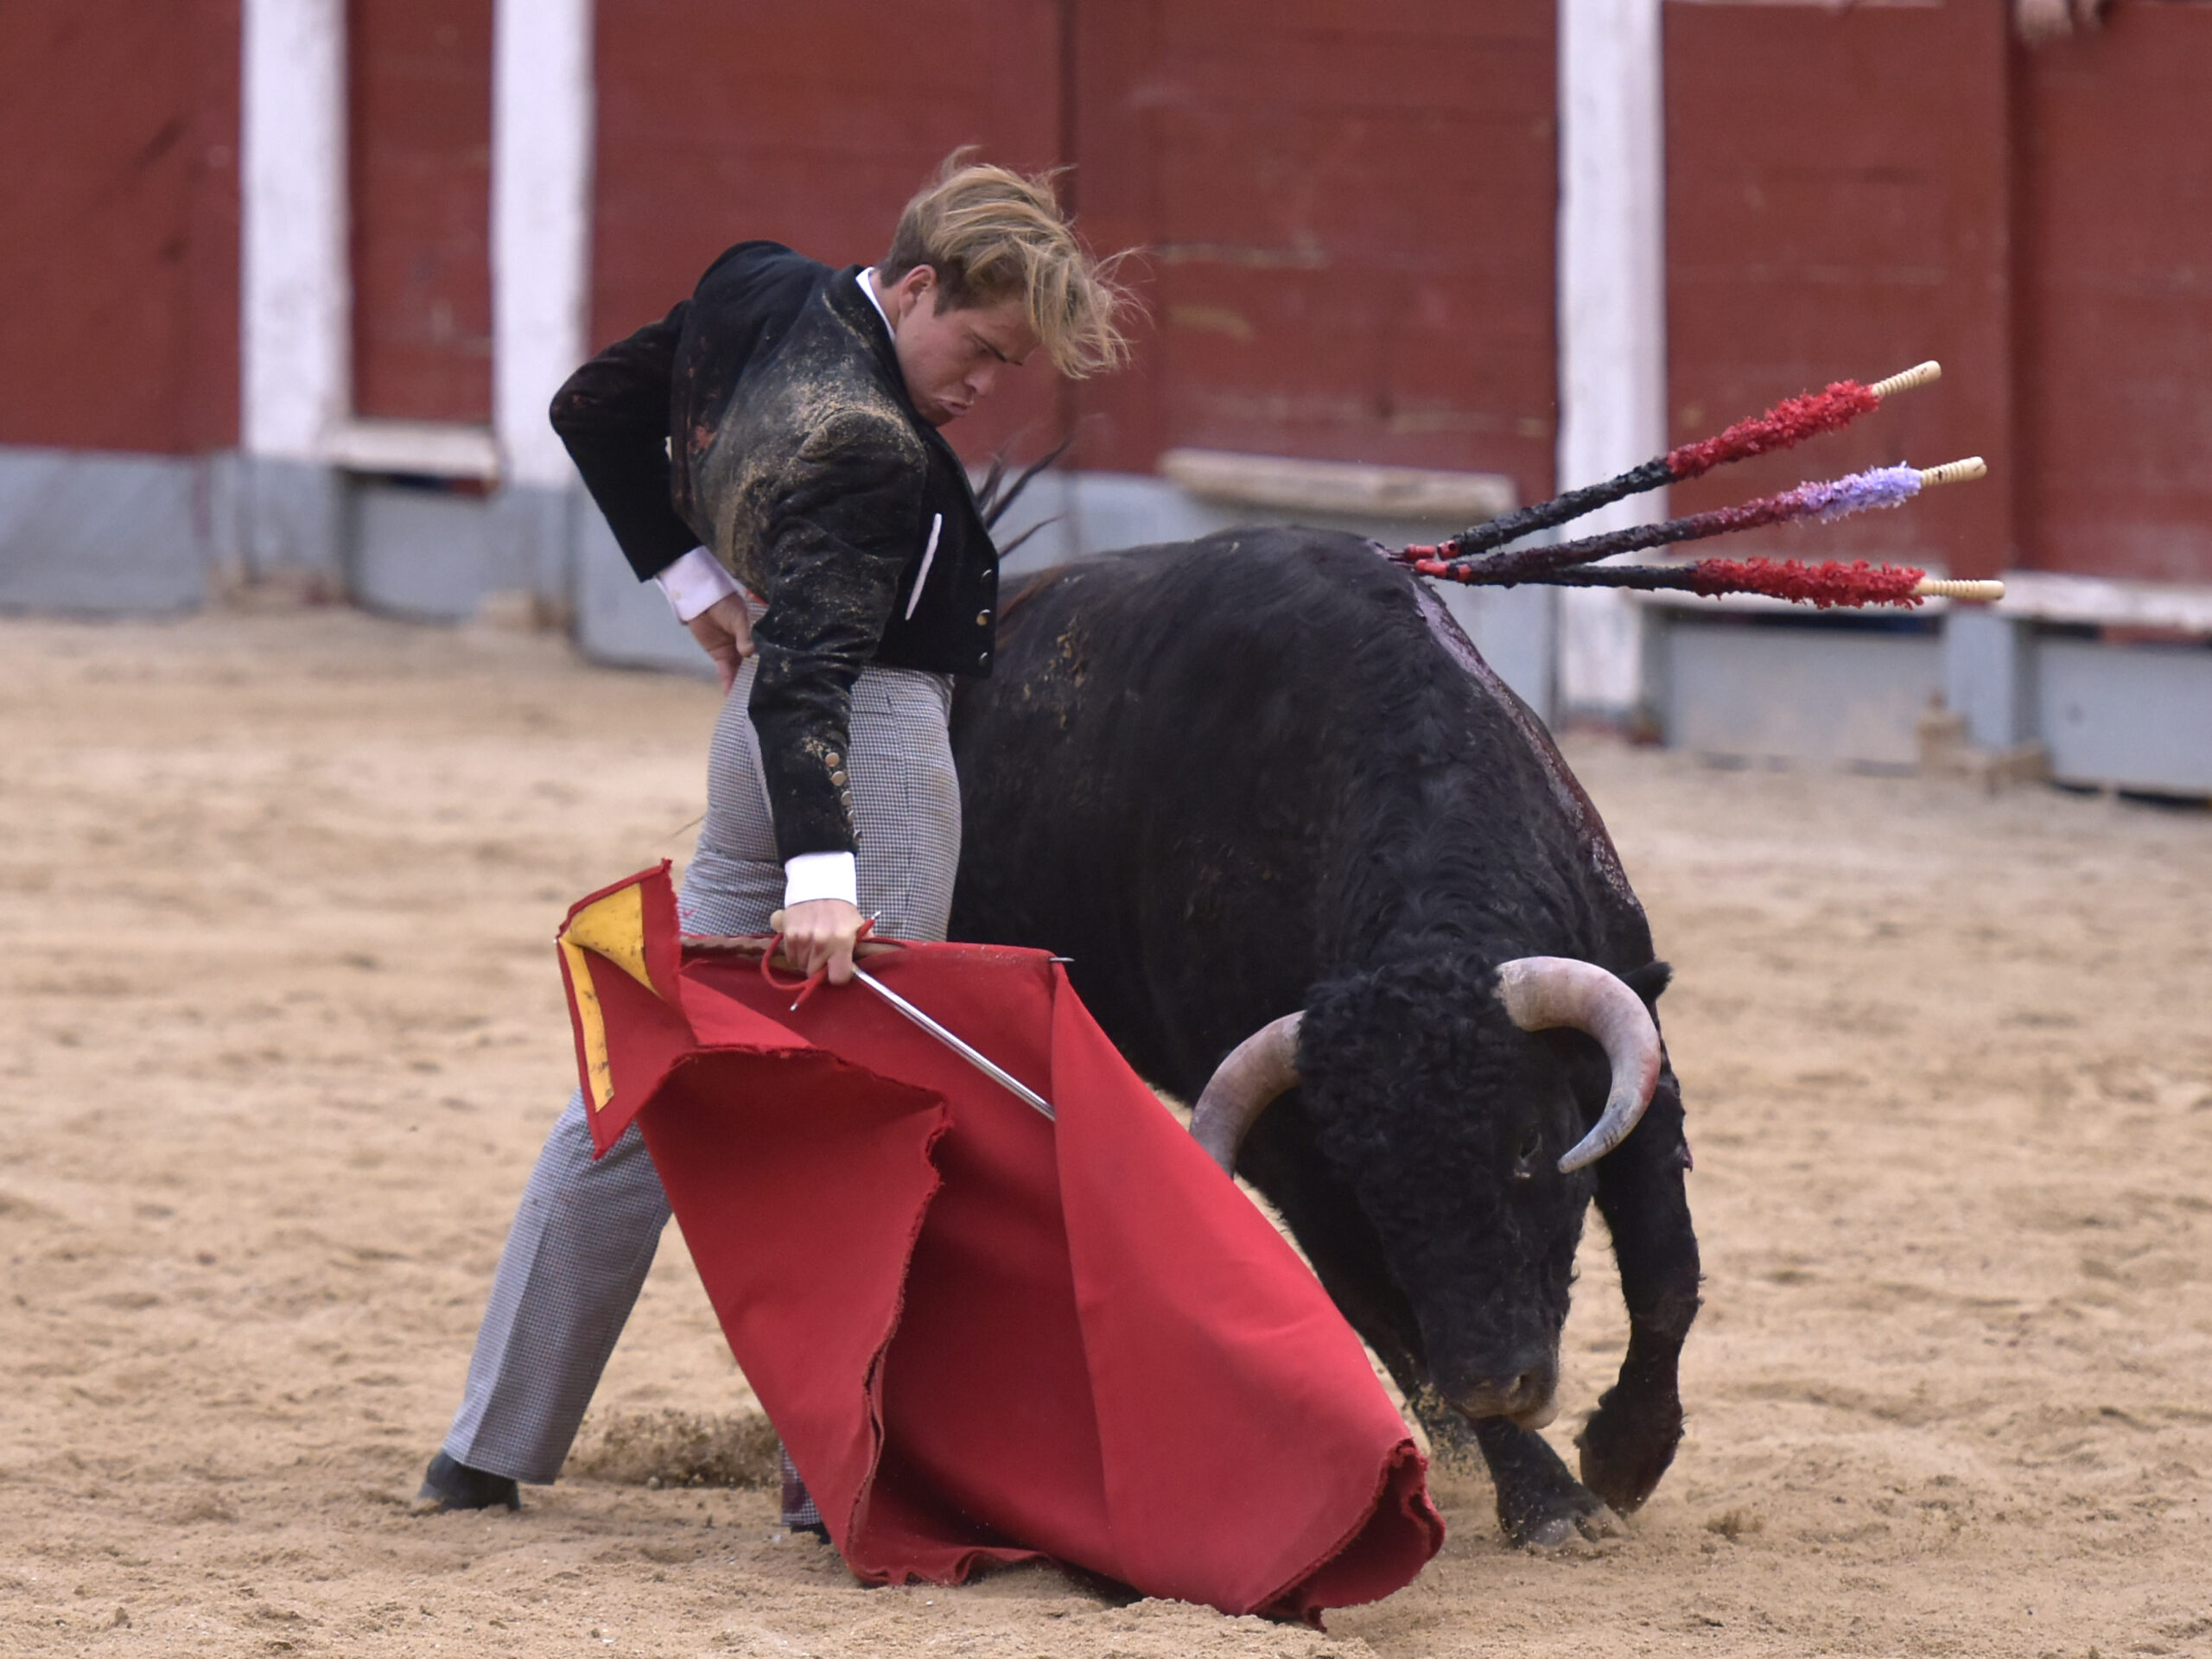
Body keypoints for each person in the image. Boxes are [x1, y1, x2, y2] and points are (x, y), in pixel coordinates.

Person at [416, 155, 1130, 1523]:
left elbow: (591, 408)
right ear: (916, 288)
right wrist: (828, 880)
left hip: (758, 740)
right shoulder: (869, 444)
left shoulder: (758, 285)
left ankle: (488, 1445)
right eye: (977, 347)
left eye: (1009, 368)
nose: (984, 387)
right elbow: (817, 671)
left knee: (649, 1079)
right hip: (860, 757)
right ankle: (839, 1476)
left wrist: (690, 584)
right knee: (890, 1103)